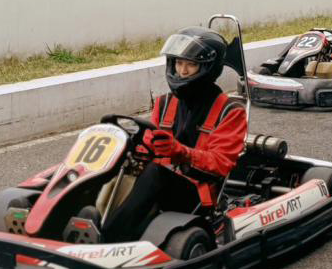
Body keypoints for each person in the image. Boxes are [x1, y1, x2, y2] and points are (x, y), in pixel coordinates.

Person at [100, 27, 248, 243]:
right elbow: (149, 146)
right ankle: (80, 222)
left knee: (155, 173)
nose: (183, 71)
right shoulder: (164, 103)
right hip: (161, 183)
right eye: (179, 63)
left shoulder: (230, 111)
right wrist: (134, 147)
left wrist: (182, 153)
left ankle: (109, 239)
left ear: (208, 67)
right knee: (111, 166)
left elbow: (220, 164)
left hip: (199, 193)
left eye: (191, 64)